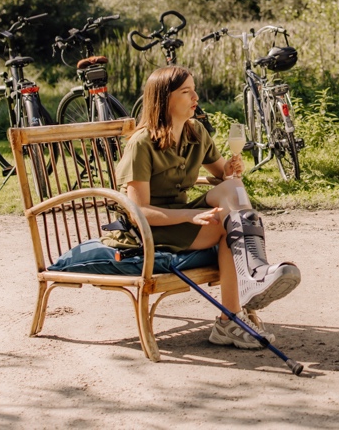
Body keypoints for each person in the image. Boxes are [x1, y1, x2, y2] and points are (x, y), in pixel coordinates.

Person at [117, 64, 300, 349]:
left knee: (233, 191)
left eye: (194, 90)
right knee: (227, 225)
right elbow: (140, 212)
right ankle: (239, 304)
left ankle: (251, 282)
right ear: (164, 100)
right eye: (186, 92)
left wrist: (230, 169)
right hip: (150, 230)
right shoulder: (142, 144)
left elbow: (224, 178)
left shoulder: (196, 132)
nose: (195, 97)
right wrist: (193, 215)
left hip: (183, 220)